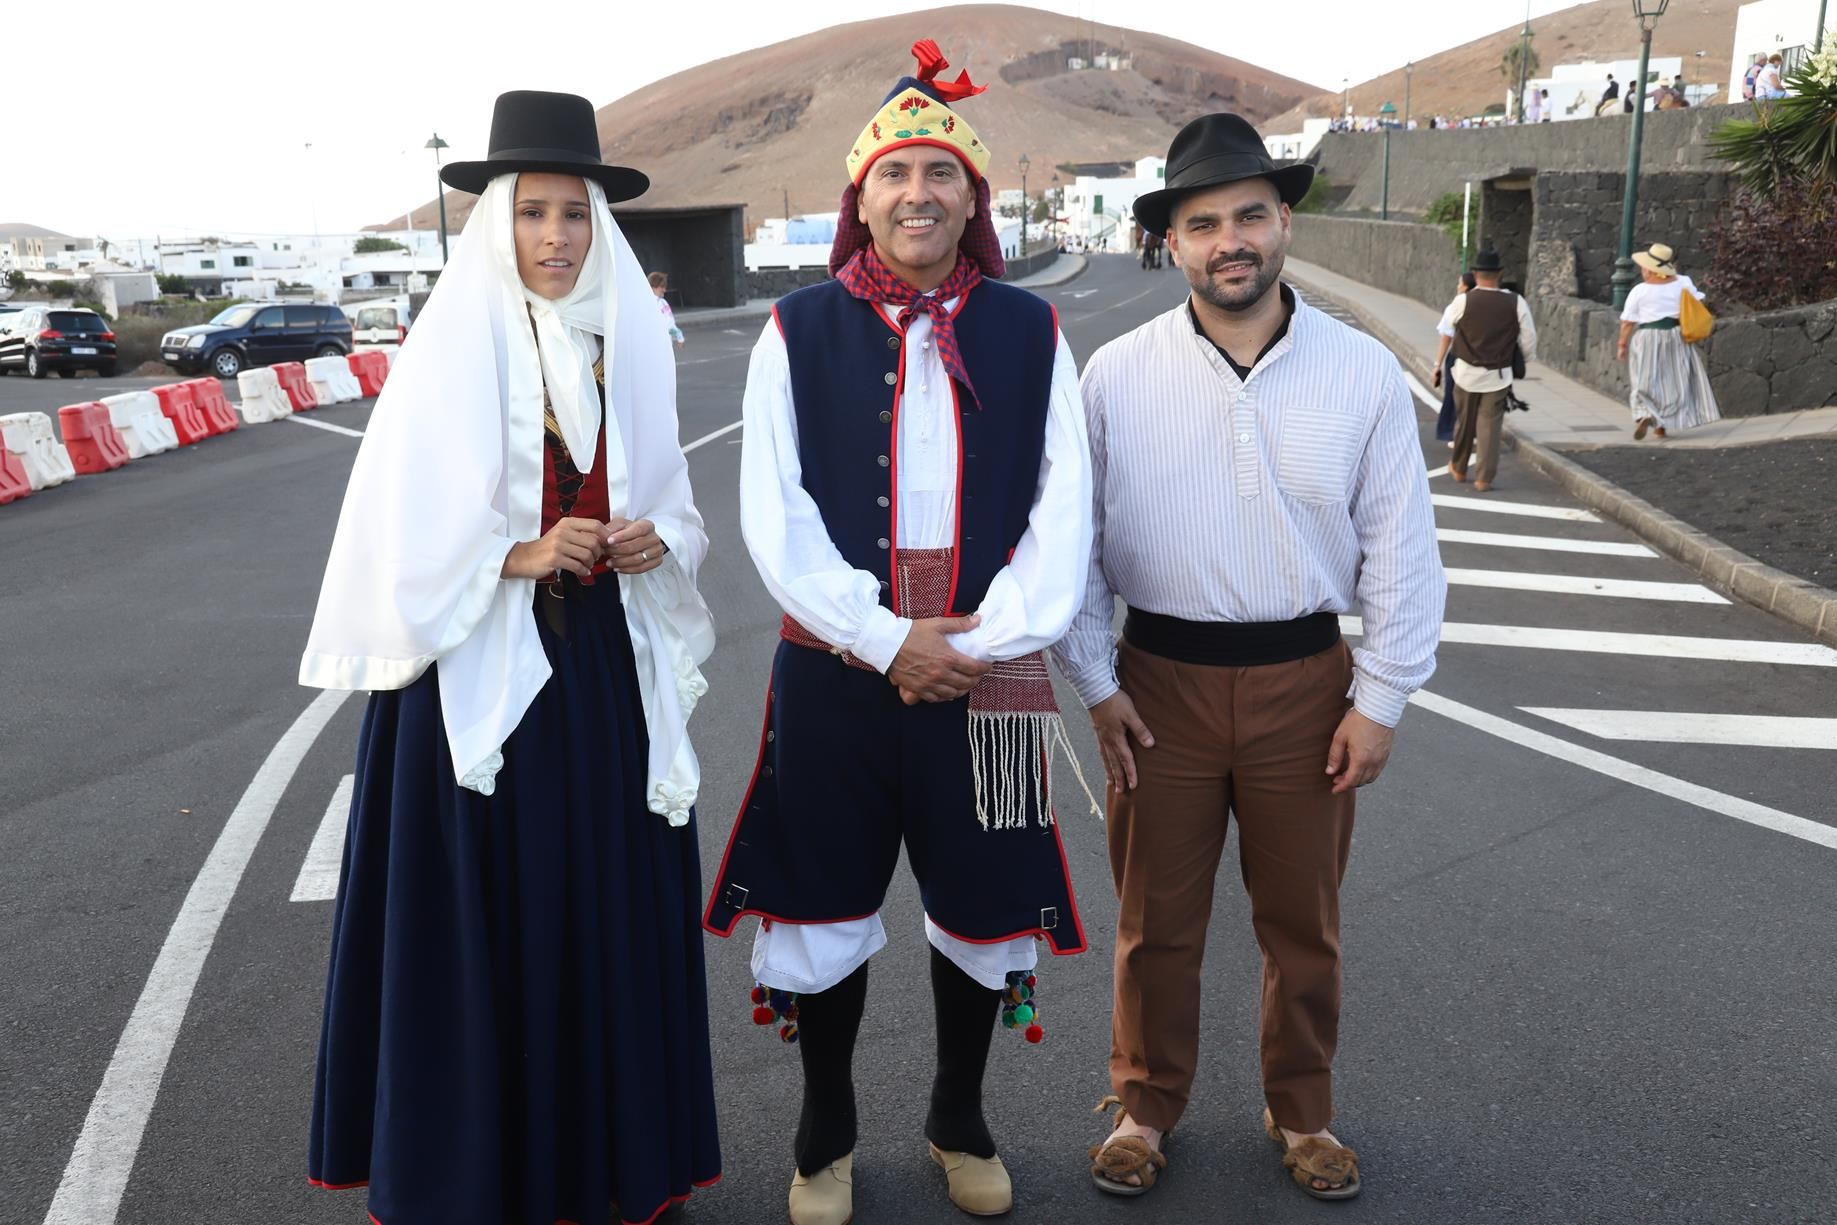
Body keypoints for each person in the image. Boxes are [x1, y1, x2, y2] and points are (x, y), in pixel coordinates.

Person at [298, 90, 722, 1225]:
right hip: (477, 683)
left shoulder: (624, 342)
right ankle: (476, 1175)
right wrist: (519, 553)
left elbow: (679, 506)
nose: (555, 237)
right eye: (533, 212)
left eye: (574, 214)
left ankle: (602, 1167)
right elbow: (404, 528)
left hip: (597, 675)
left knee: (598, 913)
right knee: (489, 923)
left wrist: (651, 539)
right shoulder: (448, 351)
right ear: (498, 221)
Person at [701, 39, 1095, 1225]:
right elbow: (776, 513)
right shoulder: (795, 328)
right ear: (858, 196)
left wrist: (987, 637)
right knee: (819, 897)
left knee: (986, 899)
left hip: (996, 665)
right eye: (894, 175)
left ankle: (959, 1116)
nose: (916, 194)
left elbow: (1063, 505)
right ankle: (824, 1129)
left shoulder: (1033, 330)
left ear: (973, 198)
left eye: (940, 175)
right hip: (834, 671)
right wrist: (886, 640)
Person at [1060, 112, 1445, 1204]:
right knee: (1154, 922)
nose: (1229, 240)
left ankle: (1303, 1111)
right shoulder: (1114, 377)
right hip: (1155, 687)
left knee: (1301, 922)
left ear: (1283, 223)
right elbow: (1076, 551)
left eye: (1247, 216)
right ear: (1171, 243)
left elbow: (1402, 547)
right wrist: (1094, 683)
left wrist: (1380, 698)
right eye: (1202, 223)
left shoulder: (1363, 372)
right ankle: (1142, 1107)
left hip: (1305, 686)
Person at [1442, 245, 1536, 492]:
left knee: (1464, 422)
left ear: (1475, 273)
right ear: (1500, 273)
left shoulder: (1464, 300)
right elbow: (1528, 339)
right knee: (1490, 428)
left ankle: (1459, 467)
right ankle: (1484, 478)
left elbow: (1448, 325)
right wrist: (1522, 359)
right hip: (1499, 374)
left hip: (1465, 372)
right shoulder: (1516, 302)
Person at [1617, 242, 1722, 439]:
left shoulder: (1640, 291)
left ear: (1649, 269)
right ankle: (1661, 427)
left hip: (1647, 337)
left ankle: (1645, 414)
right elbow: (1697, 304)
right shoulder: (1683, 282)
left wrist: (1622, 344)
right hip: (1675, 336)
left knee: (1644, 379)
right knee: (1672, 380)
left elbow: (1627, 322)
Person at [1432, 271, 1478, 443]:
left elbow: (1446, 337)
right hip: (1479, 357)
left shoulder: (1454, 307)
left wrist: (1437, 364)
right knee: (1473, 396)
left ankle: (1451, 432)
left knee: (1453, 395)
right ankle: (1472, 433)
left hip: (1458, 356)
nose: (1458, 286)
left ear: (1465, 286)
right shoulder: (1482, 305)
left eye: (1460, 283)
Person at [650, 269, 686, 347]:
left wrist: (679, 336)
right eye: (661, 287)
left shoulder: (663, 303)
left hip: (664, 344)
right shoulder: (646, 304)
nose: (664, 290)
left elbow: (669, 323)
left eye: (665, 287)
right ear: (652, 287)